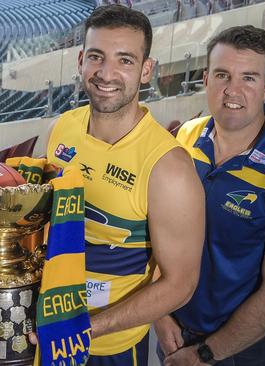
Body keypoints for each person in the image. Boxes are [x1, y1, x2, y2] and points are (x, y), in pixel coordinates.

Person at [45, 5, 205, 365]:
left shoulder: (169, 168)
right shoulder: (62, 128)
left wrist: (88, 328)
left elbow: (181, 283)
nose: (107, 73)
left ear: (146, 70)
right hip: (46, 325)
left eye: (125, 60)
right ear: (81, 60)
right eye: (97, 57)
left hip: (110, 346)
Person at [154, 25, 265, 366]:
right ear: (205, 79)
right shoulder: (184, 138)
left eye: (249, 78)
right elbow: (157, 230)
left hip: (240, 350)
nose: (233, 91)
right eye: (223, 75)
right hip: (172, 334)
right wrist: (160, 315)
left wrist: (204, 354)